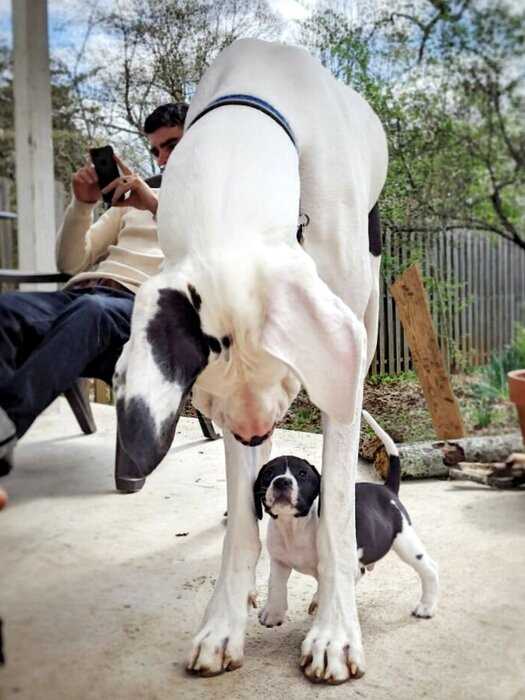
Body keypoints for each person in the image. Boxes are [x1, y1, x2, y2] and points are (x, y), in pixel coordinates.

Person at [0, 102, 188, 477]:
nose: (162, 158)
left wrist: (153, 203)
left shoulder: (210, 203)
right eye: (155, 150)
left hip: (140, 309)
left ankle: (4, 426)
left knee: (93, 312)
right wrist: (82, 205)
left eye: (172, 145)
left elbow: (200, 251)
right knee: (5, 309)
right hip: (80, 295)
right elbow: (70, 264)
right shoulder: (126, 205)